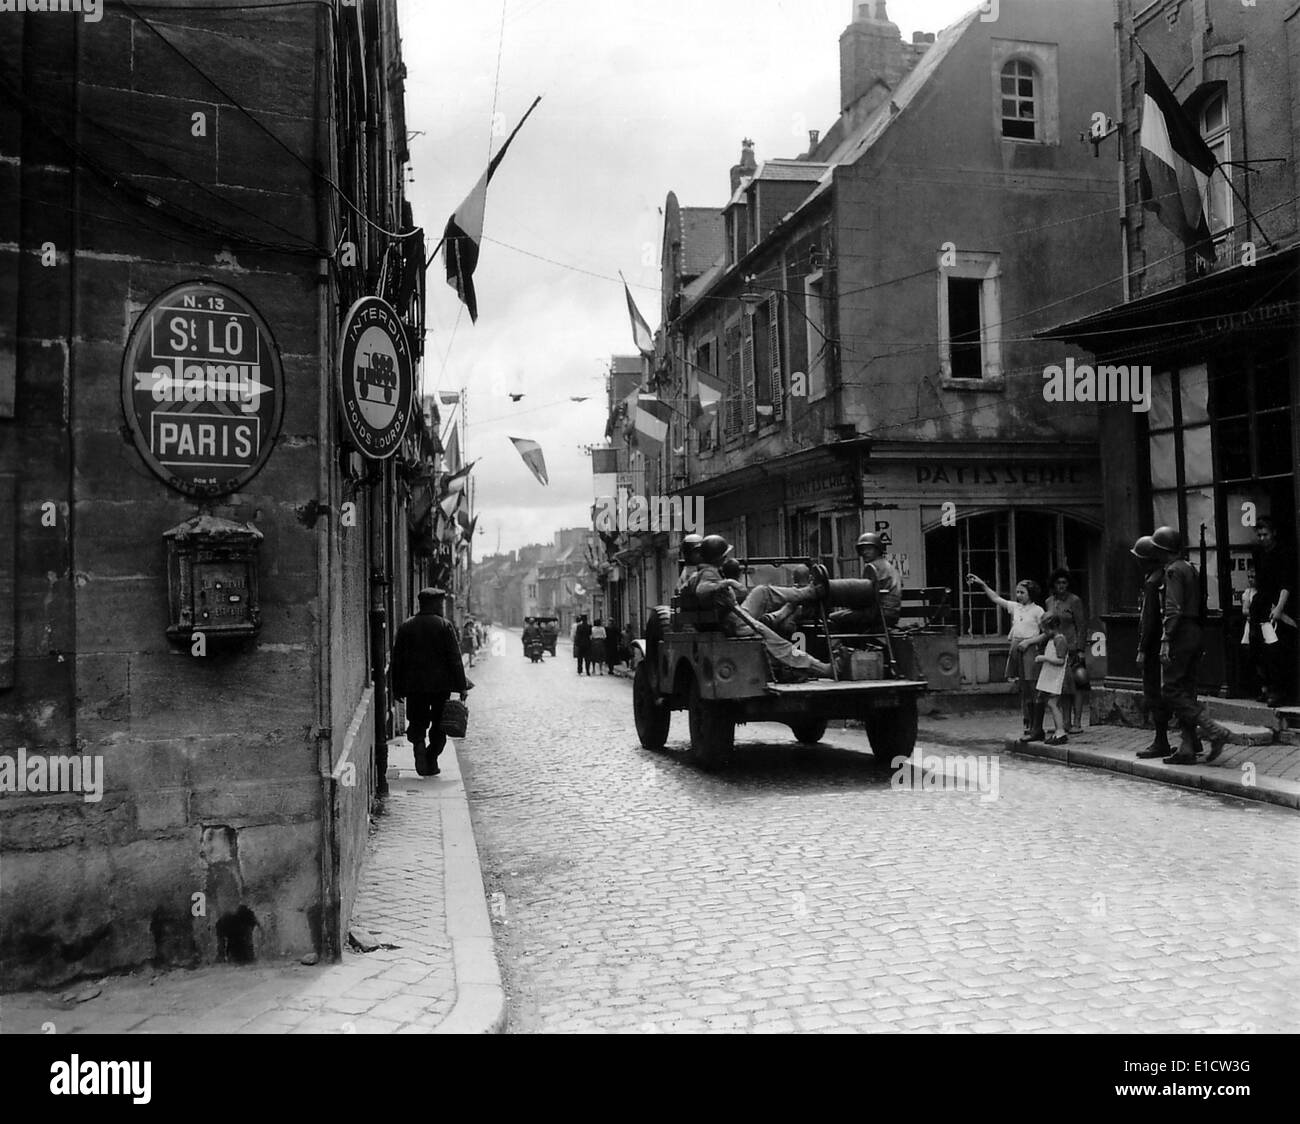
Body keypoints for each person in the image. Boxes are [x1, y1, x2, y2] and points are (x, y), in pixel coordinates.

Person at [1147, 525, 1233, 764]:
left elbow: (1173, 608)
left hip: (1181, 632)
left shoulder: (1173, 570)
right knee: (1187, 690)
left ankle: (1213, 730)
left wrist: (1166, 639)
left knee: (1171, 690)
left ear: (1164, 550)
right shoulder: (1190, 568)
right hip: (1195, 630)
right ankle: (1187, 746)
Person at [390, 587, 470, 779]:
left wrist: (397, 687)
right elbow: (455, 658)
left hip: (414, 687)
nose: (442, 606)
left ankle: (418, 746)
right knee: (439, 724)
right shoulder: (444, 626)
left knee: (417, 721)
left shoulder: (406, 626)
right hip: (440, 687)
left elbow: (397, 660)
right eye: (440, 603)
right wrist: (461, 686)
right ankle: (432, 758)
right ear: (434, 604)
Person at [967, 574, 1044, 739]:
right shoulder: (1016, 607)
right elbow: (996, 598)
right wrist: (982, 584)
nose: (1019, 595)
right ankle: (1028, 722)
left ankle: (1037, 726)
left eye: (1022, 592)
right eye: (1017, 592)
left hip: (1029, 649)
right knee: (1023, 687)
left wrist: (1030, 642)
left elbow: (1046, 634)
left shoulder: (1038, 611)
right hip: (1016, 647)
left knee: (1032, 686)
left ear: (1031, 593)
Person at [1251, 517, 1296, 706]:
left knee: (1275, 651)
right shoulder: (1259, 553)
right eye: (1259, 535)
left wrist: (1279, 608)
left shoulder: (1283, 554)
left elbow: (1286, 583)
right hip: (1261, 605)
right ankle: (1266, 687)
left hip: (1275, 607)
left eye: (1265, 534)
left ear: (1273, 533)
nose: (1262, 538)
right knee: (1258, 648)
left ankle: (1279, 691)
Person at [827, 532, 902, 634]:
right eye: (863, 549)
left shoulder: (873, 568)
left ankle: (847, 647)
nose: (865, 552)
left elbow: (865, 596)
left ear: (878, 550)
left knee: (832, 618)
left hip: (878, 614)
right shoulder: (888, 565)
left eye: (869, 549)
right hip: (890, 613)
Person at [1043, 568, 1087, 735]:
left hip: (1074, 647)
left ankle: (1077, 722)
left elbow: (1082, 625)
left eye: (1064, 583)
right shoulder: (1049, 602)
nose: (1061, 586)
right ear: (1053, 584)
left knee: (1078, 685)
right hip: (1057, 649)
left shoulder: (1075, 601)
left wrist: (1081, 649)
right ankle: (1064, 722)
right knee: (1063, 687)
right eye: (1058, 583)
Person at [1032, 612, 1069, 744]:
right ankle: (1058, 731)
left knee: (1053, 703)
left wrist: (1044, 658)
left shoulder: (1059, 639)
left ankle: (1060, 731)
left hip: (1057, 677)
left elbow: (1060, 660)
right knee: (1051, 703)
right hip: (1052, 675)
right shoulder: (1053, 639)